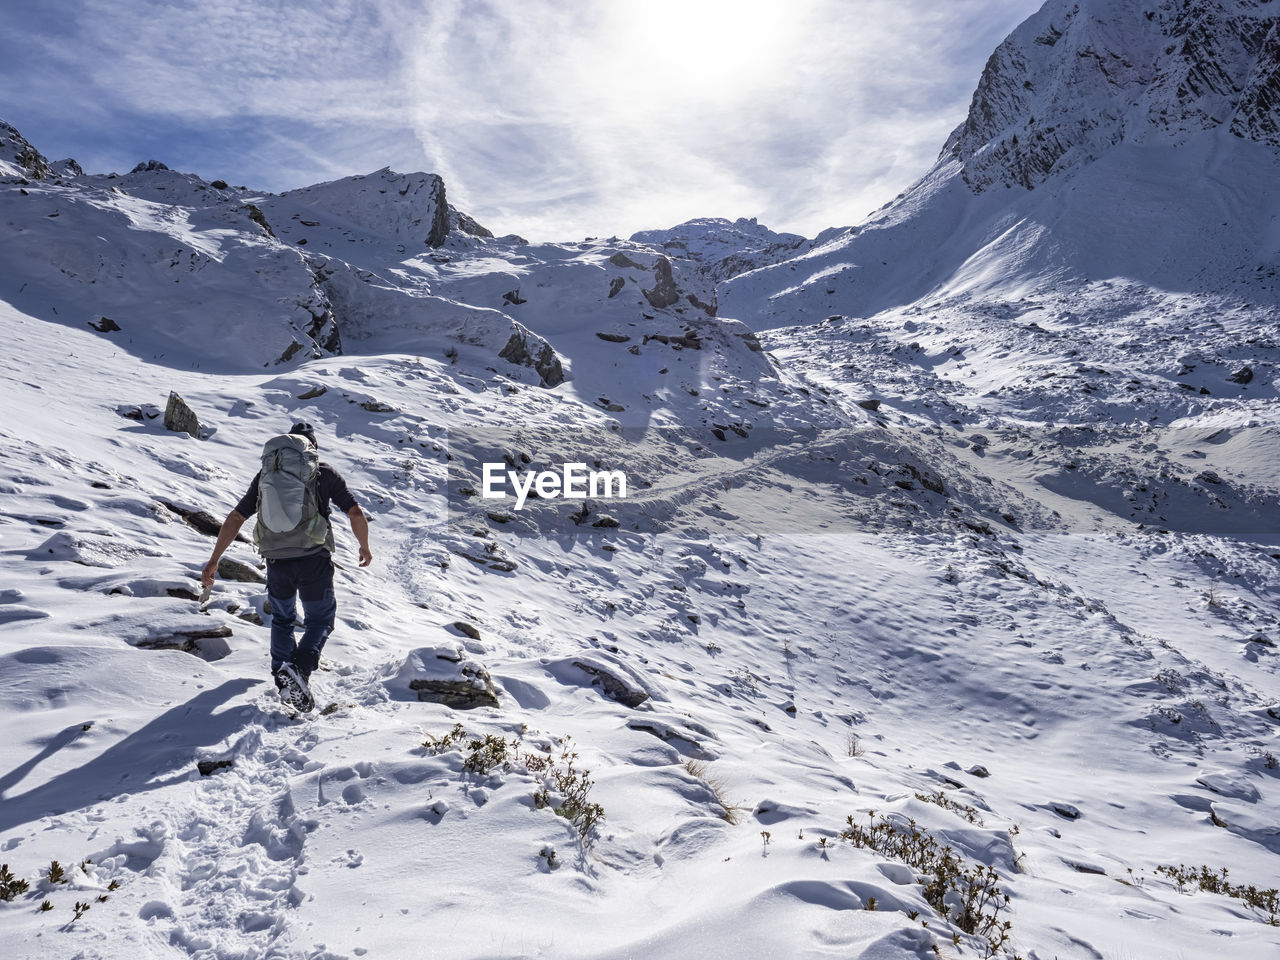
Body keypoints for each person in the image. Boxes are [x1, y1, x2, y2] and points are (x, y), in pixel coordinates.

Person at [202, 421, 372, 706]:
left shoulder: (266, 476)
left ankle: (282, 675)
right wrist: (364, 546)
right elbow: (354, 512)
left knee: (282, 619)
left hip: (276, 561)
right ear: (312, 448)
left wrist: (214, 559)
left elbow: (236, 517)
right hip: (313, 561)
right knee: (320, 619)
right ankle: (299, 670)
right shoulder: (323, 472)